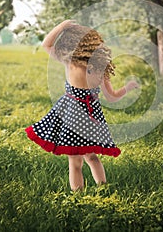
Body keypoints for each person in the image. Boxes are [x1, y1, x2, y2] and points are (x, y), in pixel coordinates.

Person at [25, 20, 139, 191]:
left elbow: (46, 44)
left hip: (73, 115)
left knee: (76, 161)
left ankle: (82, 194)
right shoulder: (95, 66)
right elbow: (112, 97)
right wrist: (127, 88)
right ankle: (101, 189)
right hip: (90, 117)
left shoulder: (71, 62)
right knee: (92, 158)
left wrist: (62, 26)